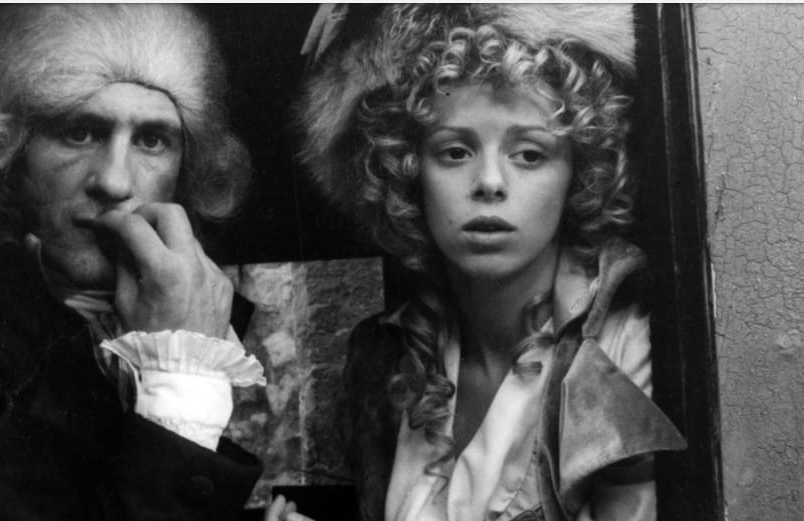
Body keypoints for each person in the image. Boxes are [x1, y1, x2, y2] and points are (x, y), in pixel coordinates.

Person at [272, 5, 687, 521]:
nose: (490, 182)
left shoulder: (631, 346)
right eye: (455, 152)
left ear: (578, 174)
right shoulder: (388, 357)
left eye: (529, 154)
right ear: (407, 173)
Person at [0, 5, 264, 520]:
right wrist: (183, 380)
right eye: (79, 132)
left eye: (152, 140)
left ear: (185, 173)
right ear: (9, 151)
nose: (113, 182)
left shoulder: (202, 323)